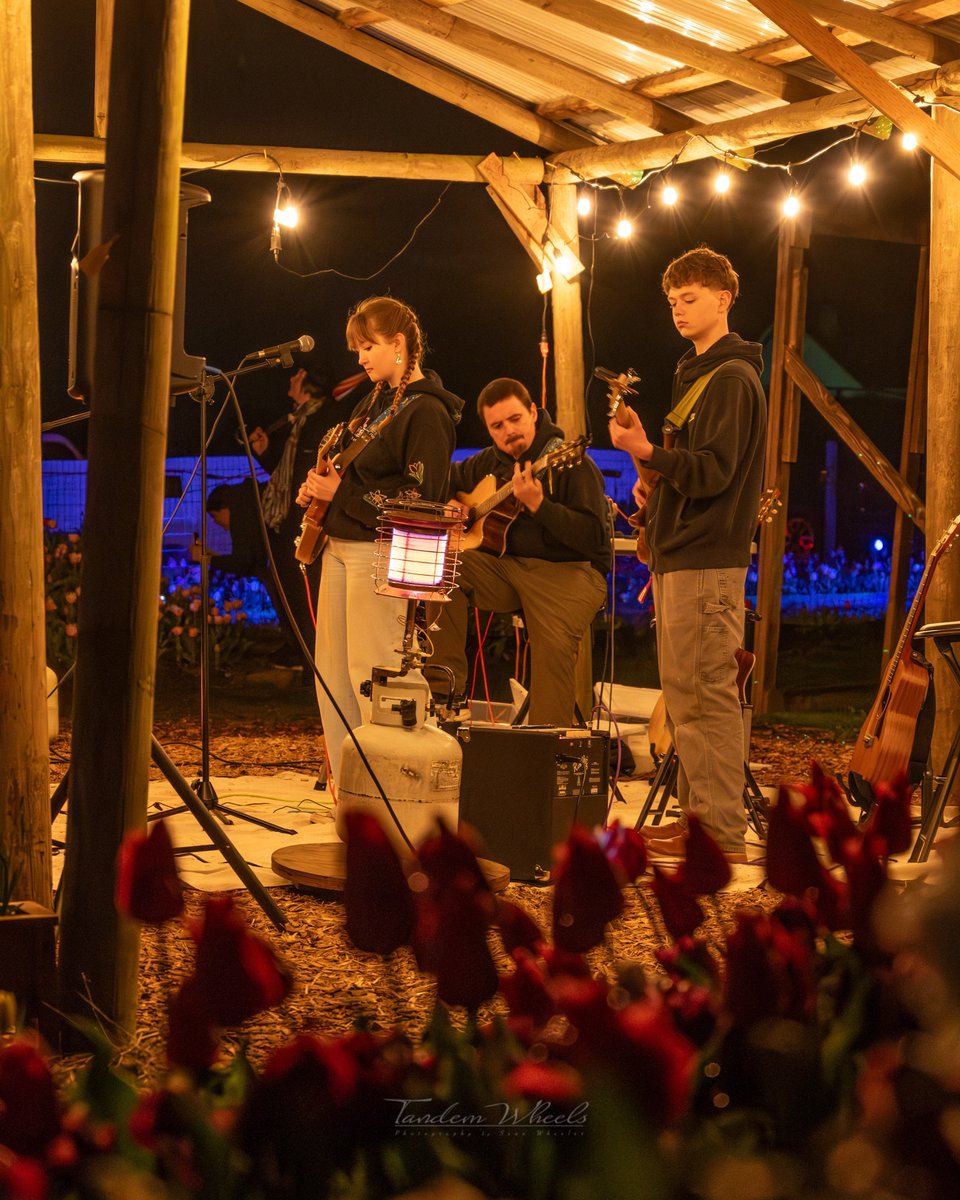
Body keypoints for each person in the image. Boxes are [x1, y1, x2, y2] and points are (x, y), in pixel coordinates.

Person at [609, 246, 766, 865]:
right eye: (672, 300)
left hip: (706, 558)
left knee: (706, 699)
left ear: (724, 299)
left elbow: (717, 473)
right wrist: (651, 471)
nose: (678, 309)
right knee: (687, 700)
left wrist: (649, 451)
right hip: (681, 555)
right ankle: (701, 823)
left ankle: (720, 836)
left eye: (691, 298)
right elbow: (689, 468)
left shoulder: (730, 377)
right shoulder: (694, 373)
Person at [296, 296, 463, 786]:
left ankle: (391, 789)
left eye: (369, 346)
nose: (362, 358)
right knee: (332, 678)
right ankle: (349, 790)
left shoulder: (427, 411)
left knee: (375, 674)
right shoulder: (375, 402)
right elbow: (354, 474)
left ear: (399, 344)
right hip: (342, 548)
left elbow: (423, 498)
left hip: (382, 555)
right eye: (358, 350)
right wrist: (321, 484)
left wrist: (341, 492)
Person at [428, 377, 609, 727]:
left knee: (552, 649)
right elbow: (441, 479)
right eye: (497, 426)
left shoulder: (568, 462)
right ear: (489, 430)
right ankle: (445, 698)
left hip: (571, 573)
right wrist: (449, 503)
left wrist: (539, 505)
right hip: (509, 570)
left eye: (514, 419)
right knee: (442, 563)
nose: (508, 431)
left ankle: (546, 748)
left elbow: (593, 539)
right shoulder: (487, 463)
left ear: (532, 412)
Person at [250, 363, 341, 663]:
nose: (291, 379)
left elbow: (316, 470)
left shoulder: (326, 418)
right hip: (284, 517)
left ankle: (312, 657)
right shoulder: (296, 421)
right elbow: (284, 472)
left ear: (309, 382)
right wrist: (265, 453)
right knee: (282, 583)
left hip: (307, 517)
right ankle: (296, 645)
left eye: (297, 375)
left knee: (305, 591)